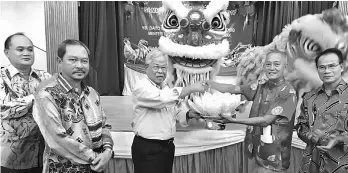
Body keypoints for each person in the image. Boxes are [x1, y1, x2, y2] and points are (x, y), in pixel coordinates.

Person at [206, 50, 298, 173]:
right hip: (257, 149)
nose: (272, 68)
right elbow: (234, 88)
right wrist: (210, 84)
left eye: (276, 64)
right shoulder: (261, 85)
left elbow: (266, 121)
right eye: (268, 64)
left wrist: (233, 120)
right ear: (264, 66)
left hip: (274, 157)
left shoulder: (288, 92)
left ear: (285, 67)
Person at [33, 39, 113, 173]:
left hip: (96, 167)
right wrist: (97, 157)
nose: (80, 65)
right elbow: (58, 139)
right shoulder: (47, 95)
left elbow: (104, 126)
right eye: (73, 60)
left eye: (84, 61)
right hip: (65, 169)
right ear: (59, 62)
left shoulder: (92, 93)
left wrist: (108, 150)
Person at [131, 48, 207, 173]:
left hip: (167, 147)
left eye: (163, 67)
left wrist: (188, 114)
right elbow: (162, 99)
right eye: (156, 67)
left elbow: (174, 110)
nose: (160, 71)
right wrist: (189, 88)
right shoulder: (141, 87)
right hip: (148, 147)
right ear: (146, 67)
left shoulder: (166, 87)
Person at [296, 48, 348, 173]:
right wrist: (311, 136)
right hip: (311, 164)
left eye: (332, 66)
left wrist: (338, 139)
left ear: (341, 67)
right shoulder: (310, 97)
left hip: (343, 166)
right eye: (322, 67)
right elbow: (301, 126)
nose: (327, 71)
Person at [0, 32, 51, 173]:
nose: (26, 53)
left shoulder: (45, 76)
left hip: (44, 154)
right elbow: (4, 109)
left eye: (30, 49)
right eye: (20, 49)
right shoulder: (2, 78)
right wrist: (37, 96)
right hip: (12, 157)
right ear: (7, 52)